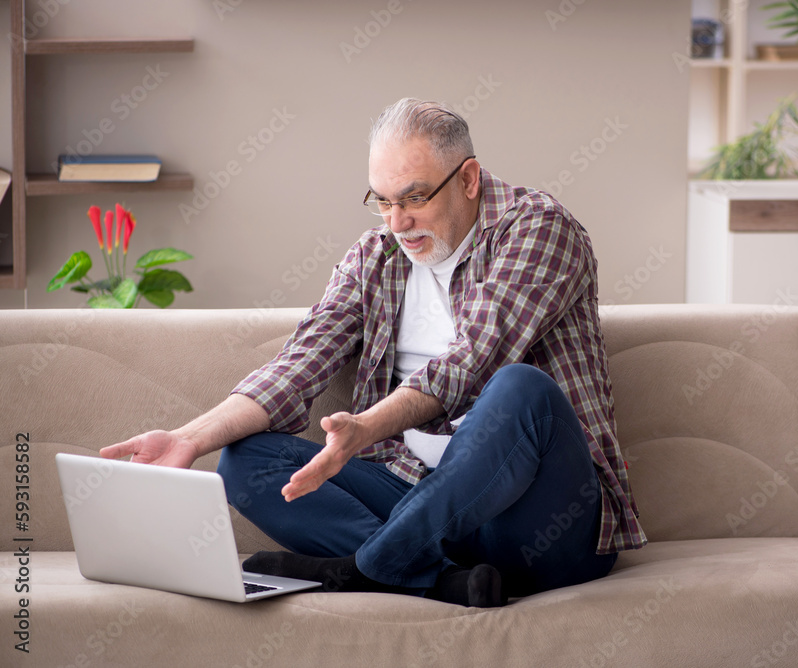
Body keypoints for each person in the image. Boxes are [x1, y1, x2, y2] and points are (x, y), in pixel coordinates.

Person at [101, 98, 646, 607]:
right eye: (382, 201)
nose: (397, 222)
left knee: (520, 388)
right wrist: (187, 439)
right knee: (244, 459)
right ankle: (436, 578)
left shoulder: (539, 228)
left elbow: (472, 359)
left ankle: (363, 569)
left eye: (414, 198)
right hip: (419, 500)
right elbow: (300, 361)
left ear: (470, 179)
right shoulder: (376, 255)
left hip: (535, 521)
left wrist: (367, 428)